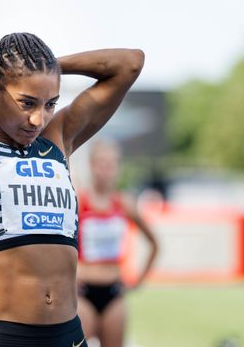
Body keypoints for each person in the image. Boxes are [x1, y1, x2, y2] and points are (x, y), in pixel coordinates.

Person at [0, 28, 144, 346]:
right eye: (27, 102)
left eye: (50, 103)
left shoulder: (58, 140)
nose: (38, 119)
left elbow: (130, 63)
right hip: (1, 337)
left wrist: (46, 67)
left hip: (69, 335)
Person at [77, 139, 158, 347]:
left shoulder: (124, 203)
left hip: (114, 292)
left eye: (111, 164)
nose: (106, 170)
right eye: (101, 164)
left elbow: (154, 244)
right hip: (83, 292)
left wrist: (138, 280)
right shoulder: (79, 201)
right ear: (92, 166)